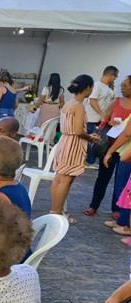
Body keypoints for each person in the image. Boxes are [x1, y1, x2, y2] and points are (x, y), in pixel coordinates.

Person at [50, 75, 99, 223]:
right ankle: (58, 213)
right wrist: (91, 137)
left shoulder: (69, 103)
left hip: (65, 142)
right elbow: (78, 131)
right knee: (66, 180)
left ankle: (55, 210)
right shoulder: (78, 105)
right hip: (73, 144)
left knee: (59, 178)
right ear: (88, 88)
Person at [85, 75, 131, 218]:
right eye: (121, 85)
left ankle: (116, 208)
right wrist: (110, 122)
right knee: (103, 177)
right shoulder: (116, 101)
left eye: (125, 85)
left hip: (125, 149)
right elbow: (105, 118)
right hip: (109, 145)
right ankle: (94, 205)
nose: (121, 88)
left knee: (121, 180)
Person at [85, 66, 118, 166]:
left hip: (101, 119)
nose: (115, 79)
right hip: (92, 118)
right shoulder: (97, 86)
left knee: (97, 140)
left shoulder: (109, 88)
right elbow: (92, 101)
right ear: (110, 74)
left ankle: (91, 160)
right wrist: (102, 115)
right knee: (89, 139)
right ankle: (89, 161)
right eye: (115, 76)